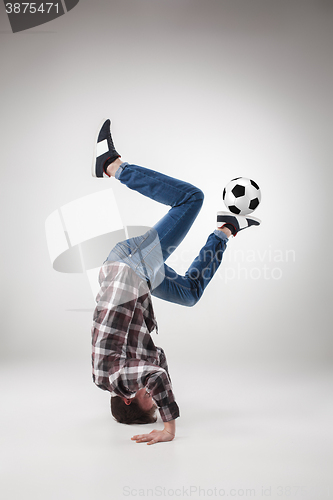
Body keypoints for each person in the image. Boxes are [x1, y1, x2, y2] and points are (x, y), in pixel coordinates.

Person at [91, 120, 261, 445]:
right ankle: (226, 228)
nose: (154, 397)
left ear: (128, 397)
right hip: (139, 280)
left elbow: (156, 378)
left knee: (190, 199)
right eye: (157, 405)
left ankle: (112, 165)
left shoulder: (109, 377)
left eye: (149, 403)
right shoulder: (129, 367)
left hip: (126, 268)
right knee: (189, 293)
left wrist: (168, 428)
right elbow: (159, 367)